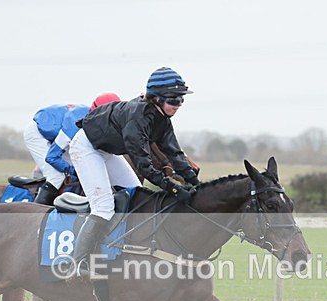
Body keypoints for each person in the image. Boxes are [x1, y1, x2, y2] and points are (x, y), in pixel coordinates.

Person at [68, 67, 200, 276]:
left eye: (181, 99)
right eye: (174, 100)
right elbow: (145, 166)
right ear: (156, 99)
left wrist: (195, 183)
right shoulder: (137, 118)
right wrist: (173, 189)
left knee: (137, 193)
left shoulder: (162, 119)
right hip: (87, 148)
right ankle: (78, 263)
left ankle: (124, 249)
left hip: (109, 151)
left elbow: (175, 154)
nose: (179, 105)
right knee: (103, 207)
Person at [23, 93, 121, 204]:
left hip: (58, 132)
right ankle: (35, 211)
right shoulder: (74, 126)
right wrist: (73, 171)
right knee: (56, 176)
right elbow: (52, 157)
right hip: (37, 133)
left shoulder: (92, 120)